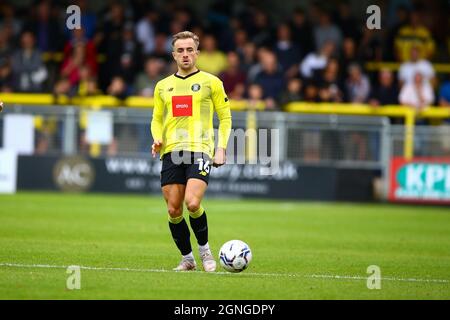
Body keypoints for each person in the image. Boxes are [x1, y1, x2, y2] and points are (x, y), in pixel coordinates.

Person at [150, 31, 232, 272]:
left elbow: (225, 117)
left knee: (192, 203)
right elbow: (156, 119)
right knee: (174, 209)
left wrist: (221, 148)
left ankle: (205, 251)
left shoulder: (212, 82)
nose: (185, 55)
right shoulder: (163, 86)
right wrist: (157, 138)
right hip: (172, 152)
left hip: (200, 149)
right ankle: (187, 259)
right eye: (180, 51)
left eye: (189, 50)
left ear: (197, 53)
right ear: (173, 54)